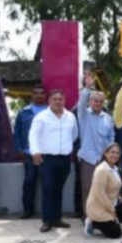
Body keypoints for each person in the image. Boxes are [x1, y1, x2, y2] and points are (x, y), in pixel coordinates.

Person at [29, 89, 79, 233]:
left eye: (60, 99)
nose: (58, 101)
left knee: (58, 189)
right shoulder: (41, 117)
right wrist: (35, 151)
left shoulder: (70, 117)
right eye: (55, 99)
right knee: (48, 188)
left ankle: (57, 218)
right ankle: (47, 220)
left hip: (64, 158)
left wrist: (67, 147)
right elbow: (33, 135)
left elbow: (74, 135)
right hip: (47, 158)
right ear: (49, 101)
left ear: (64, 101)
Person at [76, 74, 115, 217]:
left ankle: (102, 216)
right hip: (89, 159)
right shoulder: (83, 115)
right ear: (90, 102)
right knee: (88, 189)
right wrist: (87, 88)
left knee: (104, 189)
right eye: (95, 101)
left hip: (104, 160)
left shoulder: (108, 118)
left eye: (100, 101)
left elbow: (111, 137)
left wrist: (110, 156)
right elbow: (81, 103)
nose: (98, 103)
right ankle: (89, 218)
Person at [13, 85, 47, 219]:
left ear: (45, 96)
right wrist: (19, 149)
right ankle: (28, 210)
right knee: (29, 181)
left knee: (47, 182)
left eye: (42, 93)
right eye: (36, 93)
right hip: (28, 153)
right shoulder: (23, 112)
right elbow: (17, 133)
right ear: (32, 96)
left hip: (46, 153)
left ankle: (47, 210)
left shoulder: (50, 112)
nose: (39, 95)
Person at [84, 143, 122, 239]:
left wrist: (118, 197)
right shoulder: (101, 170)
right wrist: (112, 211)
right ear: (106, 154)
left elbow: (113, 186)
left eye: (117, 153)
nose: (115, 155)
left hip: (111, 204)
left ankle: (111, 220)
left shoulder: (114, 169)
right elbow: (100, 194)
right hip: (99, 208)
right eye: (112, 152)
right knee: (115, 233)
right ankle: (92, 222)